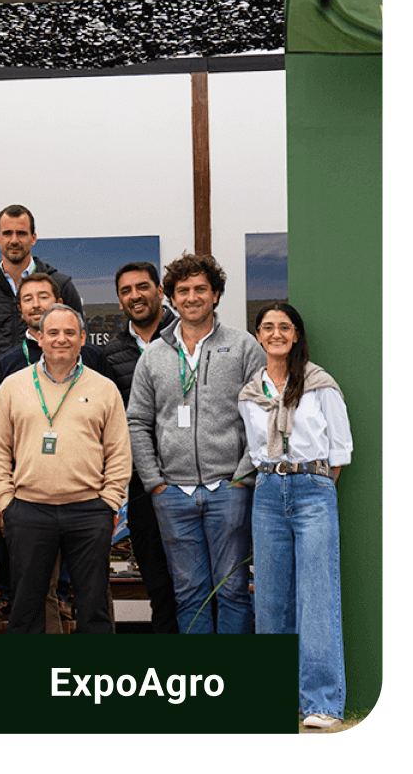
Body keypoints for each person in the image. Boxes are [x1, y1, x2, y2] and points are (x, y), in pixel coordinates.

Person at [128, 252, 263, 634]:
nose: (192, 297)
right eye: (183, 290)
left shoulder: (243, 347)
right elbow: (137, 420)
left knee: (233, 590)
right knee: (188, 593)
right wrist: (155, 483)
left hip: (229, 490)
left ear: (215, 294)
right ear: (171, 297)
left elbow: (263, 416)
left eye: (200, 289)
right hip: (173, 494)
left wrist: (243, 478)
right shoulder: (154, 355)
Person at [237, 304, 352, 729]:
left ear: (297, 334)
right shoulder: (250, 393)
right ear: (258, 336)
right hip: (268, 491)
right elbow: (254, 450)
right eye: (267, 327)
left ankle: (322, 703)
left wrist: (311, 482)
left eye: (284, 327)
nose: (276, 333)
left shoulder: (320, 385)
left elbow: (339, 450)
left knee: (317, 595)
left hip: (312, 488)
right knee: (271, 598)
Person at [0, 305, 131, 634]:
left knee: (94, 606)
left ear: (83, 338)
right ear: (39, 337)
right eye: (52, 332)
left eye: (69, 332)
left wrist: (109, 501)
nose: (61, 339)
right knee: (27, 608)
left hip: (88, 510)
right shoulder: (13, 386)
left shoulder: (104, 388)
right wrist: (6, 500)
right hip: (29, 509)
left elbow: (119, 451)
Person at [98, 261, 180, 633]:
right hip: (142, 481)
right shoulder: (110, 354)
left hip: (191, 476)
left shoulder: (186, 339)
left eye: (143, 287)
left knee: (197, 581)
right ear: (119, 301)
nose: (135, 296)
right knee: (157, 580)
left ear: (160, 291)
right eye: (126, 291)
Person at [0, 204, 84, 409]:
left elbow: (79, 347)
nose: (14, 240)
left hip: (57, 401)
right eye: (7, 233)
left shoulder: (62, 286)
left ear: (33, 238)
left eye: (21, 233)